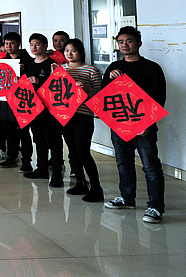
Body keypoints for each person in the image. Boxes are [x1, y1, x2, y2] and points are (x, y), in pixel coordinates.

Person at [103, 26, 167, 224]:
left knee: (150, 166)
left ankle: (155, 207)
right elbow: (104, 96)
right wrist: (111, 80)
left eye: (129, 41)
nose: (125, 45)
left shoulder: (152, 68)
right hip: (120, 125)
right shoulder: (114, 67)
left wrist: (149, 122)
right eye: (121, 42)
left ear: (139, 43)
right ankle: (127, 197)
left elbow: (159, 98)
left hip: (144, 127)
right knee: (123, 163)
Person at [61, 38, 104, 202]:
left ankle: (96, 187)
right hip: (65, 115)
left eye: (73, 50)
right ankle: (80, 182)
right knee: (72, 151)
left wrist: (87, 89)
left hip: (83, 115)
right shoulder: (60, 69)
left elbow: (100, 95)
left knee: (83, 152)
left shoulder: (91, 70)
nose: (69, 54)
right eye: (67, 50)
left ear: (81, 52)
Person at [23, 33, 64, 188]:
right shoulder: (28, 63)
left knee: (53, 140)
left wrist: (40, 81)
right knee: (38, 139)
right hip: (33, 107)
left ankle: (57, 173)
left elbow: (58, 86)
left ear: (46, 46)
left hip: (50, 109)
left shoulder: (52, 64)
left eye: (37, 44)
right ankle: (41, 169)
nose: (34, 47)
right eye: (31, 44)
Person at [0, 32, 33, 169]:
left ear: (19, 44)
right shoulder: (2, 60)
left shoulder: (28, 60)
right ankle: (11, 157)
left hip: (21, 101)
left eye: (12, 43)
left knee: (23, 132)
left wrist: (23, 72)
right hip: (5, 101)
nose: (9, 46)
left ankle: (26, 161)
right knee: (8, 131)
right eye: (6, 43)